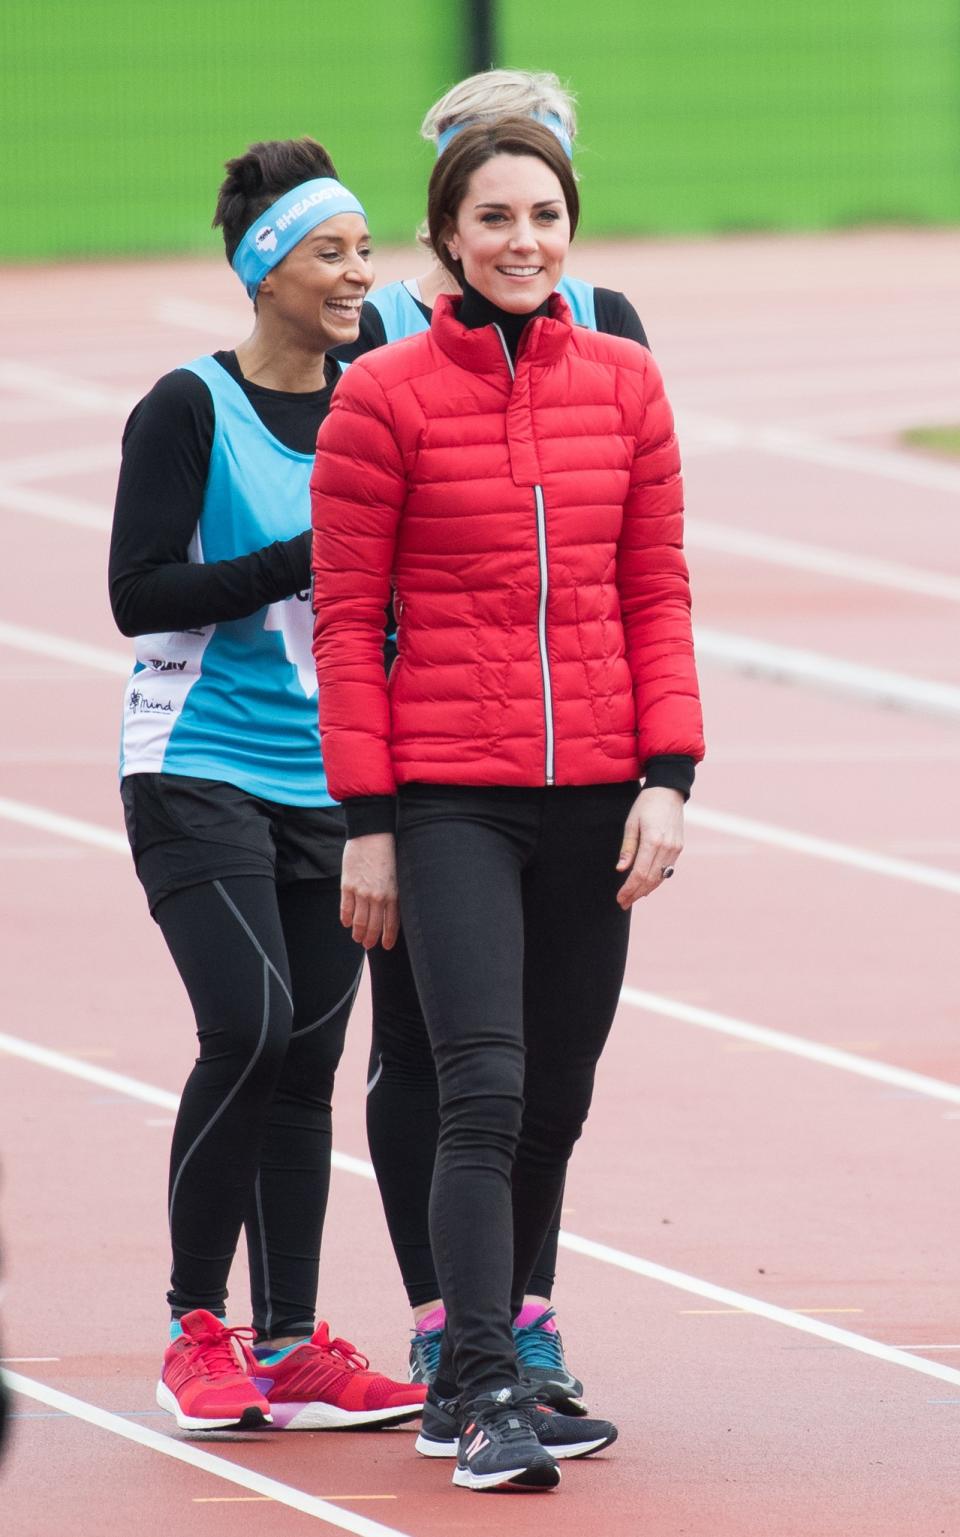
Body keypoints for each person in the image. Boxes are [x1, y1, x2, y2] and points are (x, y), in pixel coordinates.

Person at [311, 119, 704, 1492]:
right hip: (447, 797)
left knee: (557, 1100)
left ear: (571, 227)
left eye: (544, 214)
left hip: (599, 793)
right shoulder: (384, 397)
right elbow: (348, 626)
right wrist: (368, 813)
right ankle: (476, 1385)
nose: (523, 240)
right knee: (481, 1081)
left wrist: (668, 778)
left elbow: (656, 592)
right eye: (494, 218)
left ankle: (514, 1354)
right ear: (447, 240)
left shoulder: (631, 387)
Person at [109, 137, 426, 1434]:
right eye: (331, 251)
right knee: (246, 1023)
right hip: (194, 762)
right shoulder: (187, 407)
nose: (360, 272)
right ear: (264, 270)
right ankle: (198, 1321)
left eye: (363, 247)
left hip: (329, 775)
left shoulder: (378, 394)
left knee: (307, 1057)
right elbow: (139, 595)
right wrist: (306, 555)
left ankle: (290, 1340)